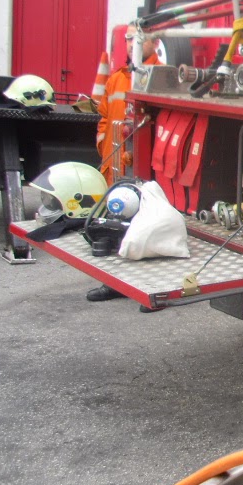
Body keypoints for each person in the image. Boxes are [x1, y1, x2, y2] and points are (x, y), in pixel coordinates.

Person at [87, 26, 159, 303]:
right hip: (117, 167)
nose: (132, 43)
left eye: (139, 38)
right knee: (116, 224)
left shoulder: (161, 76)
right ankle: (115, 283)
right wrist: (104, 149)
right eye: (129, 38)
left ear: (155, 43)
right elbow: (105, 118)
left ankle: (152, 289)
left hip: (147, 169)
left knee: (148, 226)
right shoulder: (117, 78)